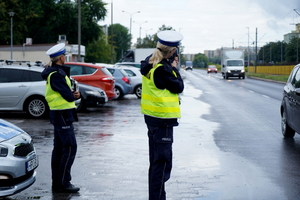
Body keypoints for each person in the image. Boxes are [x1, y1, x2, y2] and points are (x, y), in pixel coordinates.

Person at [140, 30, 184, 200]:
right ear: (172, 52)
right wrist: (175, 69)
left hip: (153, 120)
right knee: (162, 165)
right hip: (162, 122)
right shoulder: (162, 69)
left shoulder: (150, 63)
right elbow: (178, 86)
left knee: (156, 164)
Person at [41, 43, 81, 193]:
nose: (66, 58)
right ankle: (64, 182)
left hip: (61, 113)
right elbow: (67, 94)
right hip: (62, 114)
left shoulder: (56, 72)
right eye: (65, 56)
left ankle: (57, 183)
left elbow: (66, 92)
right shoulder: (56, 74)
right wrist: (73, 95)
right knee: (70, 148)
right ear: (61, 58)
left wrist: (73, 95)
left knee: (59, 149)